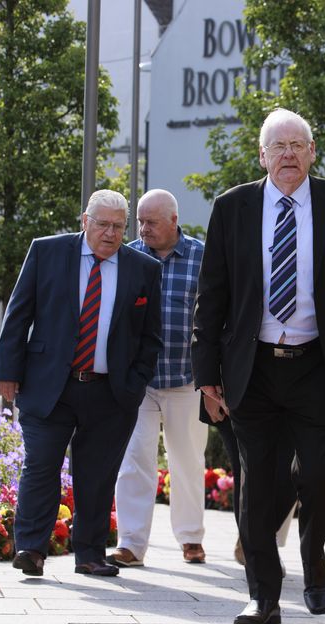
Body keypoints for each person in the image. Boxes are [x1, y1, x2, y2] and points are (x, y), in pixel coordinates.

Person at [192, 108, 325, 624]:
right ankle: (263, 595)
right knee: (255, 482)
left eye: (298, 145)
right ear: (262, 156)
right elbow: (211, 295)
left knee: (317, 477)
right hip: (251, 366)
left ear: (312, 153)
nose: (288, 155)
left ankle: (314, 558)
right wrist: (205, 372)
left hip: (315, 366)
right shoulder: (232, 207)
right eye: (277, 147)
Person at [0, 189, 162, 578]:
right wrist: (8, 371)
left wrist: (134, 383)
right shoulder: (47, 252)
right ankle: (31, 550)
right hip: (50, 385)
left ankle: (89, 554)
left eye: (119, 227)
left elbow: (150, 336)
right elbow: (19, 314)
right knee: (41, 466)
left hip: (111, 391)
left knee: (97, 475)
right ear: (84, 221)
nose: (110, 233)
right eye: (102, 224)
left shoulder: (144, 269)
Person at [106, 189, 209, 567]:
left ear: (174, 221)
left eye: (151, 222)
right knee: (135, 460)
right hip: (139, 381)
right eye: (140, 221)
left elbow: (215, 314)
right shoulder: (127, 256)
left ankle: (190, 538)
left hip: (187, 377)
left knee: (187, 460)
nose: (143, 229)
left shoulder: (202, 256)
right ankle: (131, 544)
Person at [200, 393, 297, 570]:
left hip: (294, 391)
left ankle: (258, 540)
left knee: (290, 471)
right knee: (246, 470)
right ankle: (255, 548)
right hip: (234, 388)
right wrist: (208, 388)